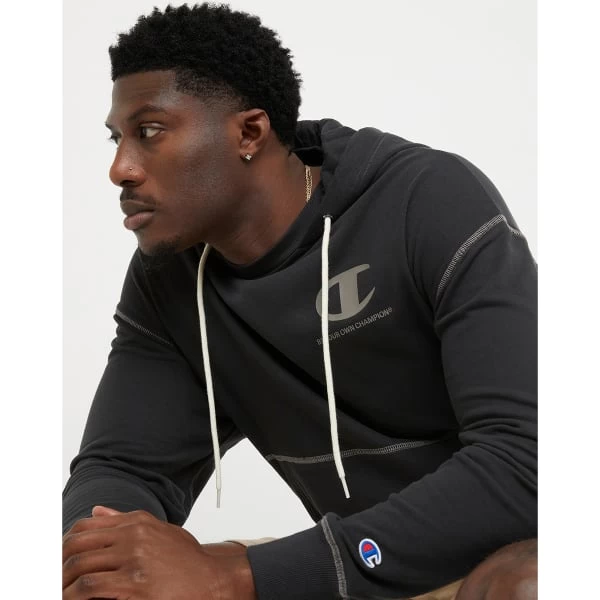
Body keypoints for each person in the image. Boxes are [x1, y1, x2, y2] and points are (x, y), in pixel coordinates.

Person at [62, 3, 538, 599]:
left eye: (149, 132)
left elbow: (529, 464)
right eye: (117, 138)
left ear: (249, 133)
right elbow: (121, 468)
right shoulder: (171, 277)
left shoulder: (426, 202)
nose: (119, 169)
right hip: (357, 572)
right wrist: (108, 558)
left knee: (526, 585)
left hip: (509, 549)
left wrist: (239, 576)